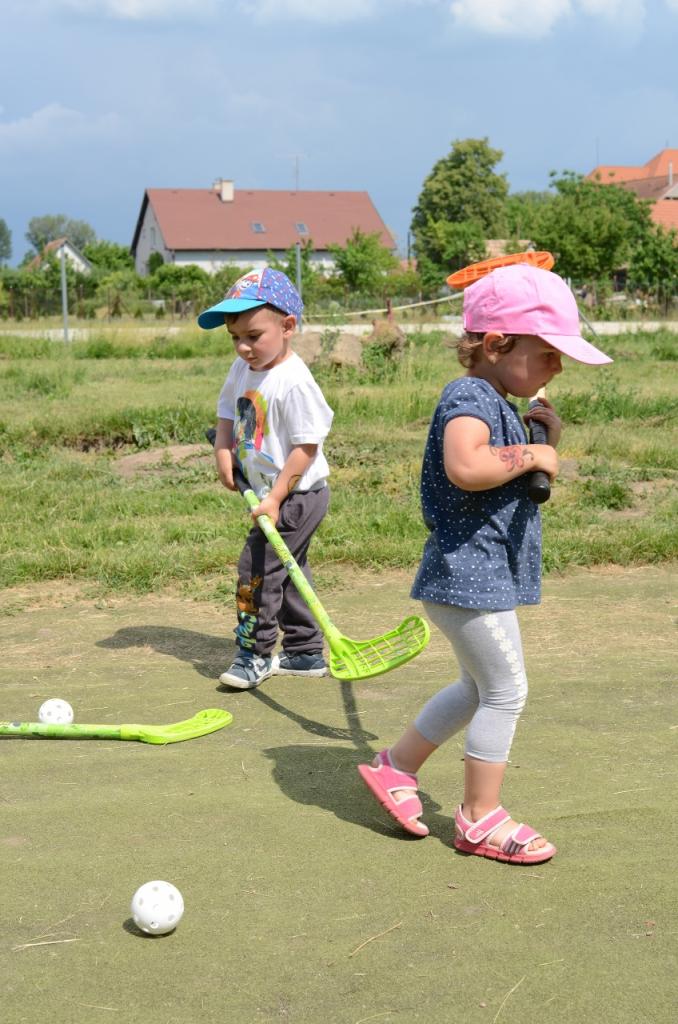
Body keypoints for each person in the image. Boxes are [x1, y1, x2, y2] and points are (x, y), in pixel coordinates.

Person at [358, 263, 613, 864]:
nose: (558, 367)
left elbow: (497, 466)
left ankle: (395, 767)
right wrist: (534, 455)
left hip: (473, 576)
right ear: (497, 345)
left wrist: (541, 441)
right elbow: (467, 466)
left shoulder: (494, 399)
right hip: (467, 576)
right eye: (548, 354)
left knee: (478, 688)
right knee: (506, 690)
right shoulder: (469, 396)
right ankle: (478, 818)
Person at [198, 268, 334, 689]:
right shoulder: (244, 368)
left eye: (253, 336)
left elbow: (306, 447)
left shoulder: (293, 382)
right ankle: (305, 652)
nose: (243, 347)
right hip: (269, 492)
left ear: (287, 327)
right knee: (288, 571)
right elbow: (227, 410)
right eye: (234, 337)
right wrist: (223, 450)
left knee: (256, 569)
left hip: (296, 495)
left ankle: (254, 654)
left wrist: (275, 498)